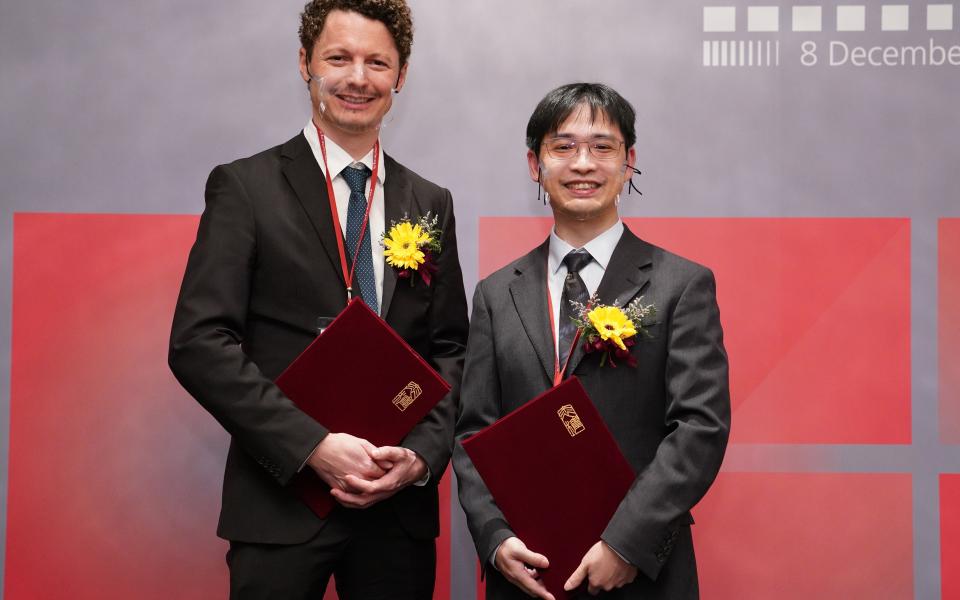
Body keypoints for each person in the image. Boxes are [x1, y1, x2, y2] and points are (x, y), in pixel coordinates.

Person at [168, 1, 468, 598]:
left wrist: (420, 458)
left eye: (377, 62)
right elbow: (199, 343)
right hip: (280, 505)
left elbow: (452, 351)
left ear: (400, 75)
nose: (358, 77)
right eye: (339, 57)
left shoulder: (430, 201)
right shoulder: (245, 186)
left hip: (395, 511)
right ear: (305, 63)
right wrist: (312, 447)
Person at [452, 83, 730, 599]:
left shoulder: (680, 285)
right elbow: (473, 435)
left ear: (629, 162)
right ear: (535, 164)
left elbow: (699, 428)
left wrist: (625, 544)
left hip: (642, 572)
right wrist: (495, 538)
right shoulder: (495, 293)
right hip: (526, 572)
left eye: (603, 147)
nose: (584, 163)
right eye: (564, 147)